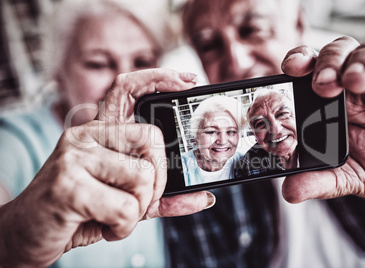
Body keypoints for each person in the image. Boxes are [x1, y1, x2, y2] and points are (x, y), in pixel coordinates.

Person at [163, 0, 365, 267]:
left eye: (254, 29)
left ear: (299, 24)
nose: (236, 62)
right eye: (209, 45)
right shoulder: (221, 170)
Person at [0, 0, 215, 267]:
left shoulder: (167, 138)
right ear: (58, 70)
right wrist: (9, 241)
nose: (124, 79)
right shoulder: (13, 139)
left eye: (142, 61)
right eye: (98, 63)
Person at [181, 95, 244, 186]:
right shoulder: (180, 166)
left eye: (231, 131)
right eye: (211, 132)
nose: (222, 141)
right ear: (196, 137)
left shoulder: (246, 162)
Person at [235, 88, 298, 177]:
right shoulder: (248, 163)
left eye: (282, 114)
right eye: (260, 123)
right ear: (254, 135)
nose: (275, 130)